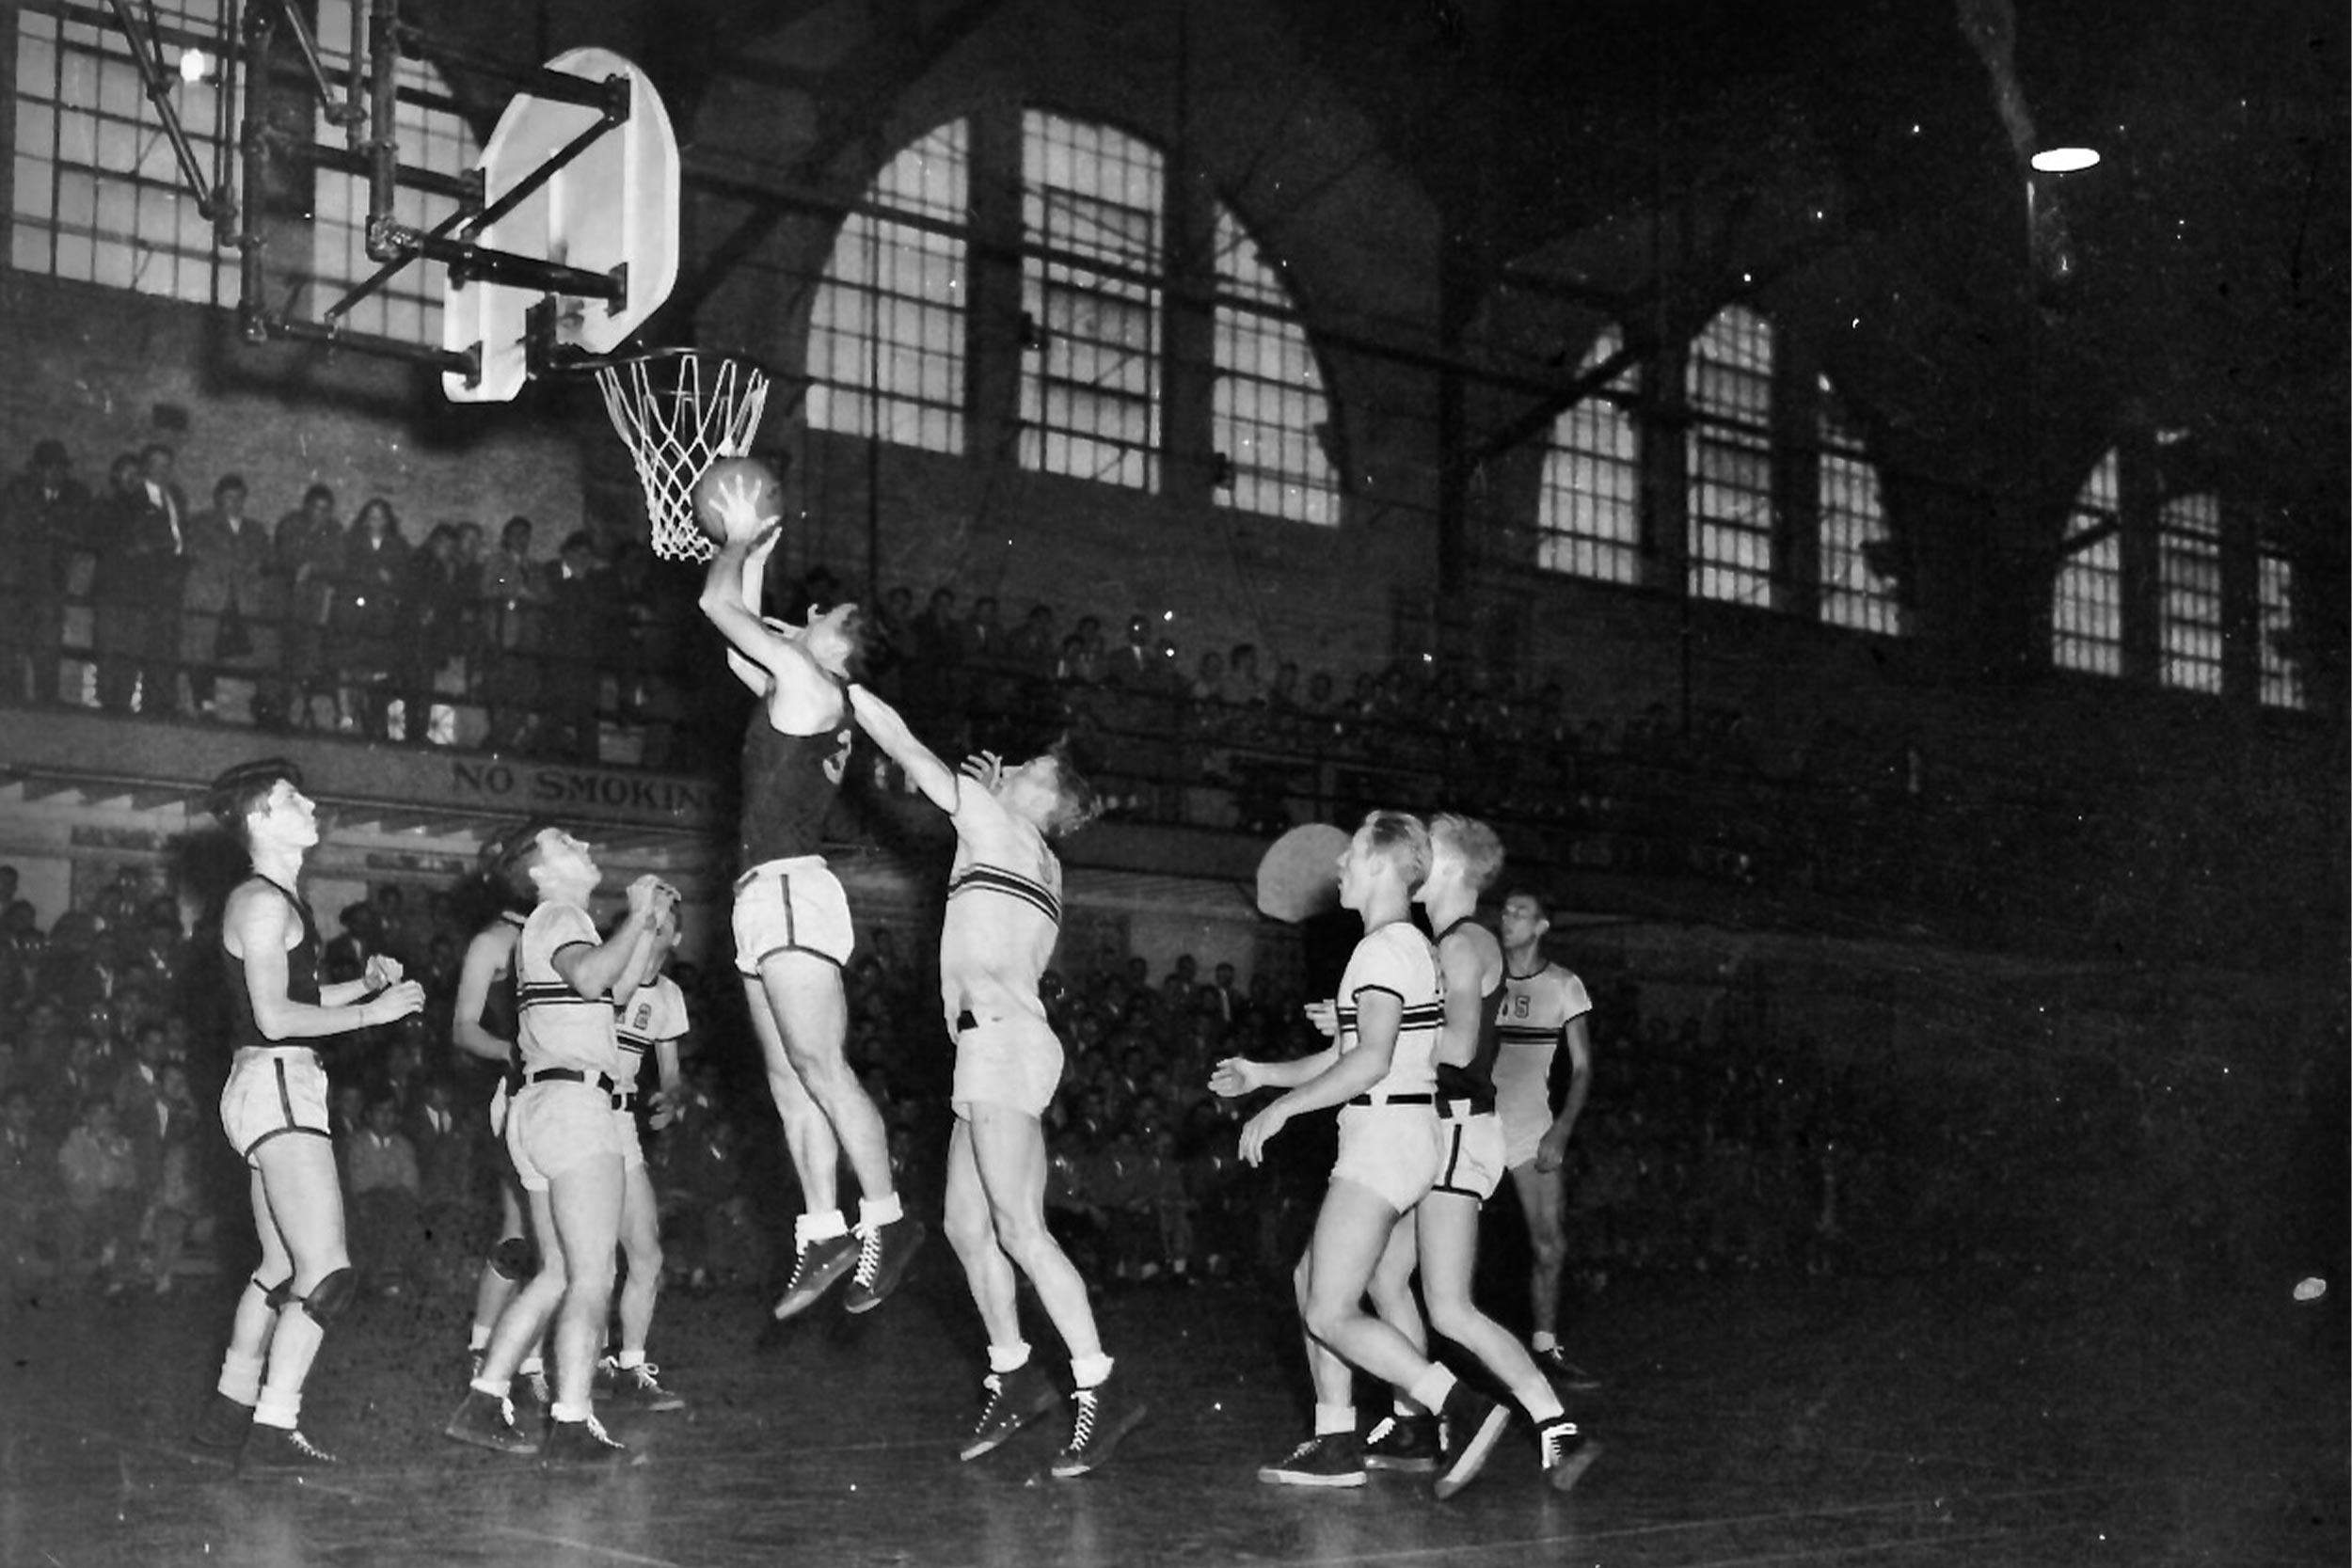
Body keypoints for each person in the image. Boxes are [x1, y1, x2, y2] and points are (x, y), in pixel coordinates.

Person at [844, 683, 1146, 1478]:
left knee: (1018, 1229)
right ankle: (1011, 1372)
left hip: (1002, 1044)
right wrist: (984, 793)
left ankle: (1096, 1382)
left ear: (1046, 794)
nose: (1011, 763)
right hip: (998, 1044)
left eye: (1030, 765)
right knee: (966, 1227)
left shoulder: (1002, 823)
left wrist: (840, 686)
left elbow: (904, 743)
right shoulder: (1028, 847)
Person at [1209, 812, 1508, 1497]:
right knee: (1309, 1281)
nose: (1337, 868)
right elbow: (1349, 1053)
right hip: (1402, 1134)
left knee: (1327, 1310)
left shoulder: (1380, 951)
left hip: (1383, 1139)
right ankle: (1335, 1435)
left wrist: (1282, 1110)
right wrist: (1264, 1074)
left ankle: (1458, 1402)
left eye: (1347, 857)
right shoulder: (1405, 946)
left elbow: (1369, 1061)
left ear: (1378, 864)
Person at [694, 479, 924, 1323]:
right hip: (767, 894)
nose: (817, 608)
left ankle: (887, 1219)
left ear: (838, 646)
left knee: (820, 1067)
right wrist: (755, 555)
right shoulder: (805, 686)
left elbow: (716, 603)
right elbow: (734, 648)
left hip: (791, 888)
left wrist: (740, 543)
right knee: (790, 1077)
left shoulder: (814, 683)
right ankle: (824, 1229)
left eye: (830, 613)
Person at [188, 757, 427, 1474]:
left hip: (268, 1084)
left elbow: (290, 992)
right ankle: (274, 1425)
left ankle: (229, 1409)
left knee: (281, 1264)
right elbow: (271, 1014)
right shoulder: (262, 903)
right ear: (261, 818)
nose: (312, 801)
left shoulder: (277, 900)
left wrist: (363, 983)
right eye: (295, 798)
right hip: (279, 1082)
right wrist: (372, 1011)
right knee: (328, 1271)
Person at [1359, 817, 1598, 1494]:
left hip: (1459, 1130)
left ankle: (1557, 1427)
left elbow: (1460, 1048)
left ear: (1453, 870)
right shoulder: (1446, 942)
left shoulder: (1463, 942)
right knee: (1382, 1278)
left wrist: (1379, 1042)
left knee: (1449, 1306)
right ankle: (1415, 1420)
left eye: (1427, 851)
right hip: (1439, 1128)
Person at [442, 823, 674, 1462]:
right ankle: (571, 1420)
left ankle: (484, 1396)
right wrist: (635, 914)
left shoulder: (549, 925)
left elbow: (618, 990)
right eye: (564, 841)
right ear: (539, 869)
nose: (583, 843)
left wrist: (646, 924)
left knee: (556, 1272)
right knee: (593, 1275)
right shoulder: (560, 913)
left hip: (540, 1108)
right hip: (575, 1108)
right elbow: (596, 978)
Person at [1494, 889, 1600, 1388]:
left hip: (1529, 1126)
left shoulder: (1564, 985)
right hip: (1472, 1121)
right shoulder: (1482, 975)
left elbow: (1582, 1068)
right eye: (1506, 910)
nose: (1508, 918)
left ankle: (1544, 1347)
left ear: (1541, 927)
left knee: (1549, 1244)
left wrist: (1561, 1128)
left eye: (1521, 913)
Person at [446, 846, 540, 1394]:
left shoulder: (566, 932)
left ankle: (525, 1352)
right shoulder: (492, 941)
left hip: (569, 1097)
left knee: (556, 1238)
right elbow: (463, 1028)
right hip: (519, 1095)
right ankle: (485, 1346)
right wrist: (513, 1049)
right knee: (520, 1232)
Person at [597, 907, 691, 1412]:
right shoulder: (606, 970)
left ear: (676, 935)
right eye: (645, 921)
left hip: (622, 1121)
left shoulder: (670, 996)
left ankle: (631, 1364)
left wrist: (672, 1100)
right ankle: (577, 1364)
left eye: (661, 925)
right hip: (581, 1114)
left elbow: (672, 1074)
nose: (652, 932)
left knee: (647, 1254)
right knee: (587, 1258)